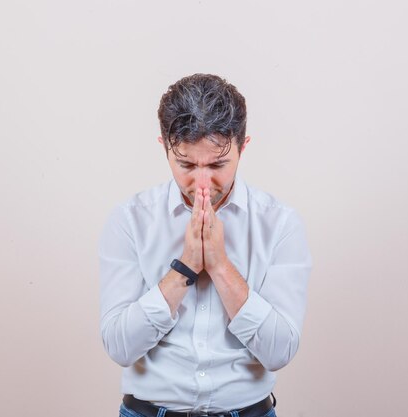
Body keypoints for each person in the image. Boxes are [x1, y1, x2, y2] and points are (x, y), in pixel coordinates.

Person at [99, 73, 312, 417]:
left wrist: (219, 266)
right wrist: (184, 268)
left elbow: (279, 352)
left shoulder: (280, 223)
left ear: (243, 148)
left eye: (217, 165)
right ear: (164, 147)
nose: (201, 183)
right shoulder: (129, 220)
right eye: (185, 164)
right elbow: (120, 346)